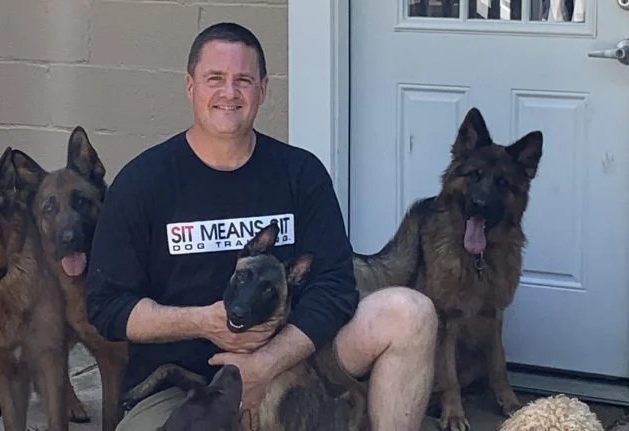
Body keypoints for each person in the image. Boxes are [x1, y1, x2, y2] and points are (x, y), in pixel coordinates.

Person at [86, 22, 439, 431]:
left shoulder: (299, 173)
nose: (229, 93)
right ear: (190, 87)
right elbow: (107, 306)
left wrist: (266, 364)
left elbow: (335, 286)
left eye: (244, 81)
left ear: (263, 89)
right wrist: (202, 321)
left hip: (295, 359)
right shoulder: (143, 182)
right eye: (214, 79)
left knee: (411, 313)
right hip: (181, 383)